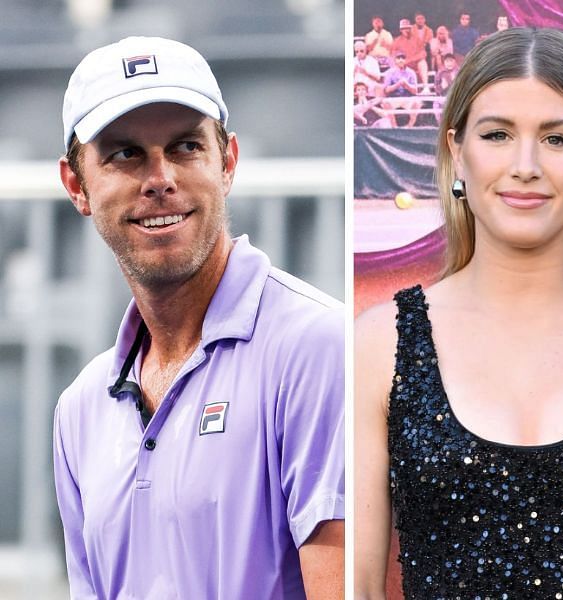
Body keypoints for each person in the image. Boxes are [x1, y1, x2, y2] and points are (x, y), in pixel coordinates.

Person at [355, 27, 563, 599]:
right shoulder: (378, 345)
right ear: (455, 152)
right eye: (497, 134)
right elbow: (357, 589)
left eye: (558, 139)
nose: (526, 165)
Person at [52, 36, 344, 599]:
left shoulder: (317, 347)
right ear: (76, 185)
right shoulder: (79, 407)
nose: (160, 177)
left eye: (186, 146)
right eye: (124, 153)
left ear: (227, 162)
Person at [392, 18, 429, 87]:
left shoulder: (417, 39)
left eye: (408, 28)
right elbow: (394, 56)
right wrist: (403, 62)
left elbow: (423, 54)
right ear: (401, 30)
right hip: (403, 65)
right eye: (404, 28)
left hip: (415, 64)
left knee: (422, 63)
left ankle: (426, 87)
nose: (406, 30)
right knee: (395, 65)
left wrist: (410, 60)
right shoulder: (397, 41)